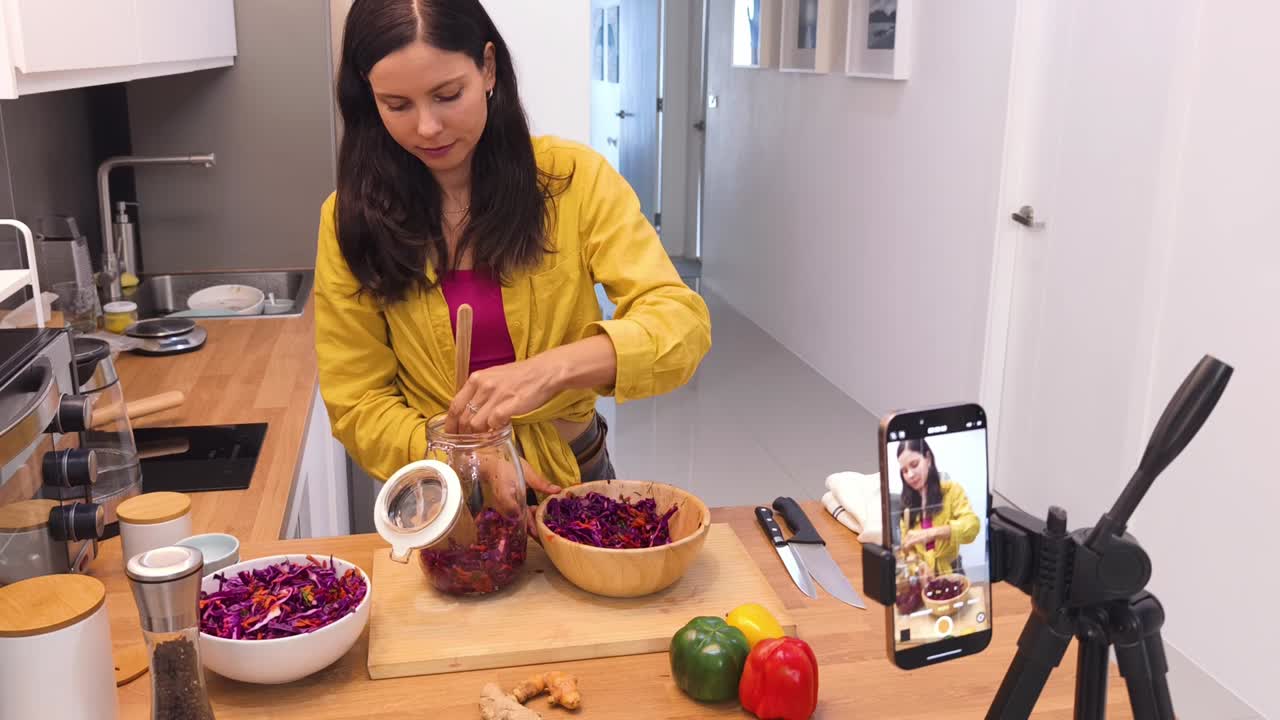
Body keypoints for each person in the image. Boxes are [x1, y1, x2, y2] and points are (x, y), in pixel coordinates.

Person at [315, 0, 712, 496]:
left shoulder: (572, 181)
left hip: (571, 472)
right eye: (397, 105)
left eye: (447, 94)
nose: (427, 128)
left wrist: (550, 370)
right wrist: (468, 460)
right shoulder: (349, 218)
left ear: (487, 67)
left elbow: (681, 325)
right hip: (440, 486)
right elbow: (357, 401)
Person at [896, 439, 980, 577]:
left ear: (928, 459)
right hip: (923, 578)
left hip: (952, 572)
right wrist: (918, 567)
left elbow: (972, 527)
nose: (910, 475)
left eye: (914, 464)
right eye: (904, 471)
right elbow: (907, 548)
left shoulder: (952, 490)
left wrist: (930, 533)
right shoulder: (906, 505)